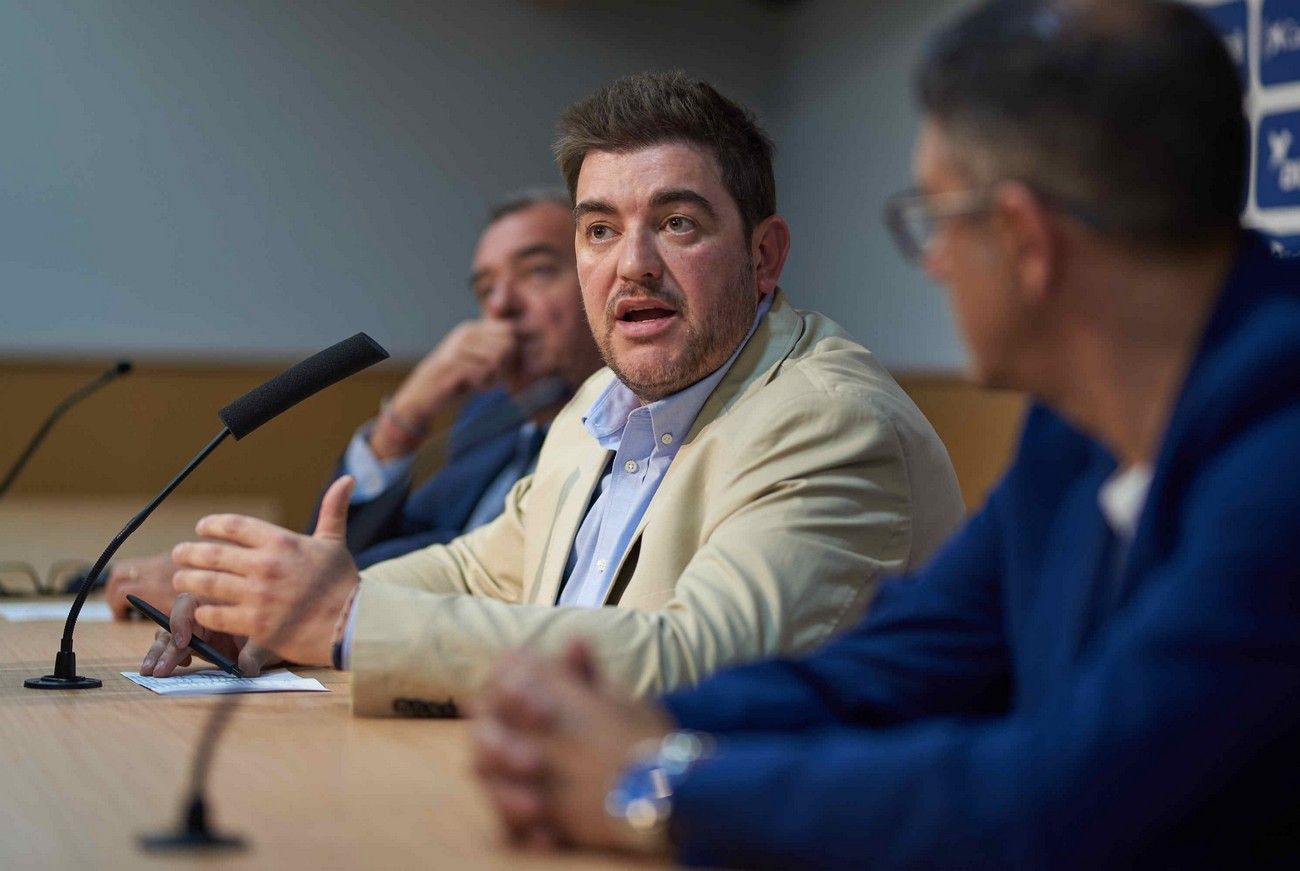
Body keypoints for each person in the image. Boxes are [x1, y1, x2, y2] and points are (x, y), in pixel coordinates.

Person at [469, 2, 1300, 867]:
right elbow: (895, 667)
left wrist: (656, 783)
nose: (933, 260)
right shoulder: (1076, 429)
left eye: (936, 218)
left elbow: (1068, 799)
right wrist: (625, 725)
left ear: (1023, 240)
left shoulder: (1283, 457)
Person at [138, 72, 965, 716]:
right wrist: (284, 606)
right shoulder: (601, 404)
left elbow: (702, 662)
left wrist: (349, 622)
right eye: (599, 229)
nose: (631, 263)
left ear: (764, 257)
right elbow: (484, 570)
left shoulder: (826, 419)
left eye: (677, 222)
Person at [106, 190, 602, 618]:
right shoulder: (491, 417)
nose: (500, 306)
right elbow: (367, 546)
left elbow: (498, 581)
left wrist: (249, 581)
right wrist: (403, 419)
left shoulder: (623, 435)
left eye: (536, 270)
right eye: (485, 289)